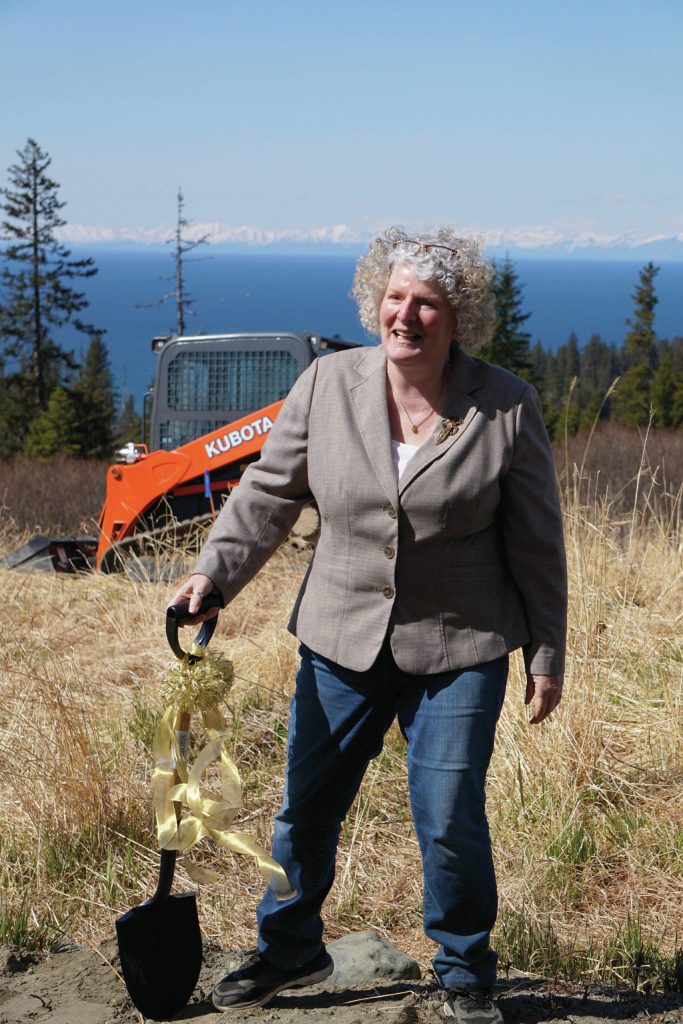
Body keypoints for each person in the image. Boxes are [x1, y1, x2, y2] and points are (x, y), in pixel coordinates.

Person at [169, 226, 567, 1023]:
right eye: (393, 298)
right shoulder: (325, 384)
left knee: (448, 814)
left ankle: (463, 970)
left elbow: (534, 540)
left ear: (457, 318)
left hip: (460, 644)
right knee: (305, 807)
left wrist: (545, 652)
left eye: (426, 303)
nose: (405, 316)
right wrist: (214, 574)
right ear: (372, 303)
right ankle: (289, 950)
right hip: (338, 637)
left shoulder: (503, 405)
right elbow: (268, 493)